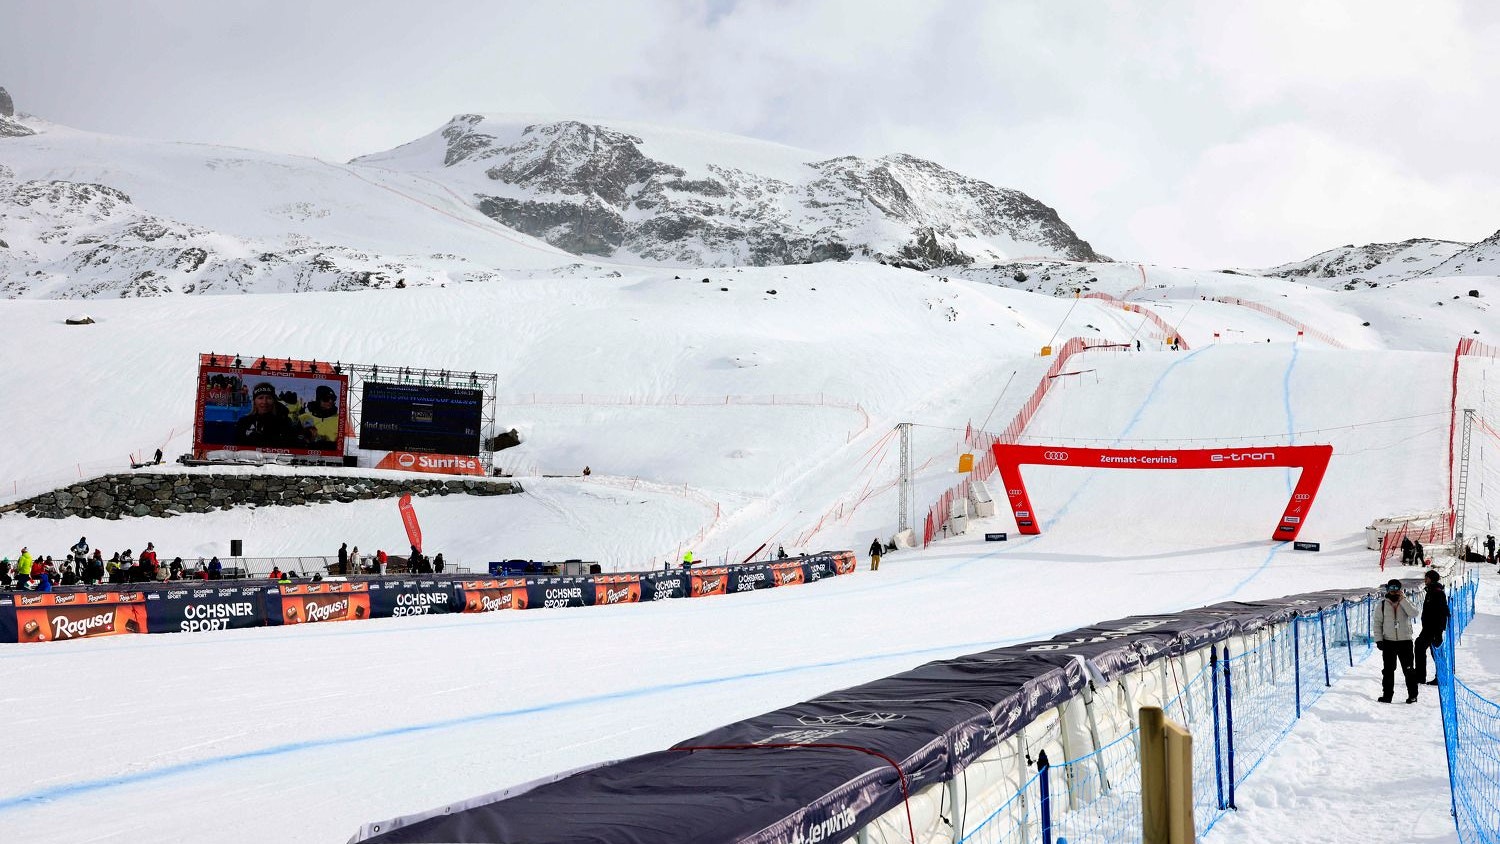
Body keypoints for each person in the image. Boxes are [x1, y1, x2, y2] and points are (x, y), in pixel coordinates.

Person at [1375, 578, 1421, 703]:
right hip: (1388, 641)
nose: (1394, 591)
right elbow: (1377, 623)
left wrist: (1403, 600)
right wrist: (1379, 640)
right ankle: (1387, 695)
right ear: (1387, 589)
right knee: (1388, 670)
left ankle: (1413, 695)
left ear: (1400, 590)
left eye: (1396, 588)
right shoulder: (1382, 604)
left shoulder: (1406, 601)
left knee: (1409, 669)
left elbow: (1414, 613)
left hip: (1405, 641)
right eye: (1391, 588)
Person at [235, 382, 301, 448]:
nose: (264, 402)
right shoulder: (243, 423)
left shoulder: (285, 423)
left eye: (269, 398)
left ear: (274, 401)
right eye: (260, 398)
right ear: (254, 401)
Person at [1414, 569, 1450, 686]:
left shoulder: (1437, 592)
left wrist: (1438, 629)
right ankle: (1427, 676)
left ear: (1431, 579)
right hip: (1429, 628)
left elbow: (1443, 611)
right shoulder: (1432, 591)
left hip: (1433, 629)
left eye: (1426, 578)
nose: (1425, 580)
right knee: (1428, 649)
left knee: (1432, 651)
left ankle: (1435, 677)